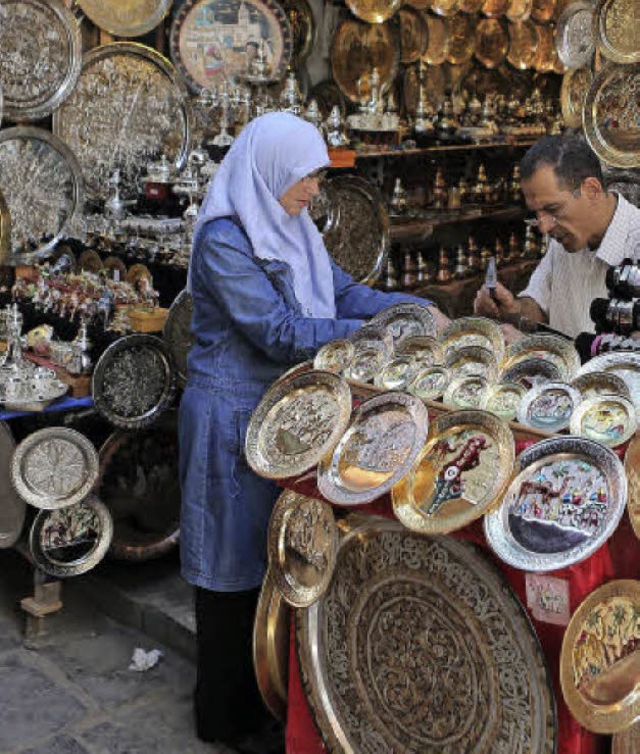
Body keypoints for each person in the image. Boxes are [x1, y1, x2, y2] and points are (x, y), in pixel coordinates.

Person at [179, 112, 446, 751]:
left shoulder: (290, 227)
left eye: (319, 179)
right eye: (307, 178)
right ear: (270, 169)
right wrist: (380, 335)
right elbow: (276, 330)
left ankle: (265, 700)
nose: (314, 193)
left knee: (276, 562)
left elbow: (342, 291)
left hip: (283, 411)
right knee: (229, 565)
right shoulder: (225, 238)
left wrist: (414, 311)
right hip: (229, 414)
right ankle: (223, 715)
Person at [474, 135, 640, 339]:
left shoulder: (635, 244)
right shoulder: (564, 239)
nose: (544, 227)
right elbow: (539, 307)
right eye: (537, 214)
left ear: (592, 190)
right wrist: (511, 308)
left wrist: (533, 349)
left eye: (553, 209)